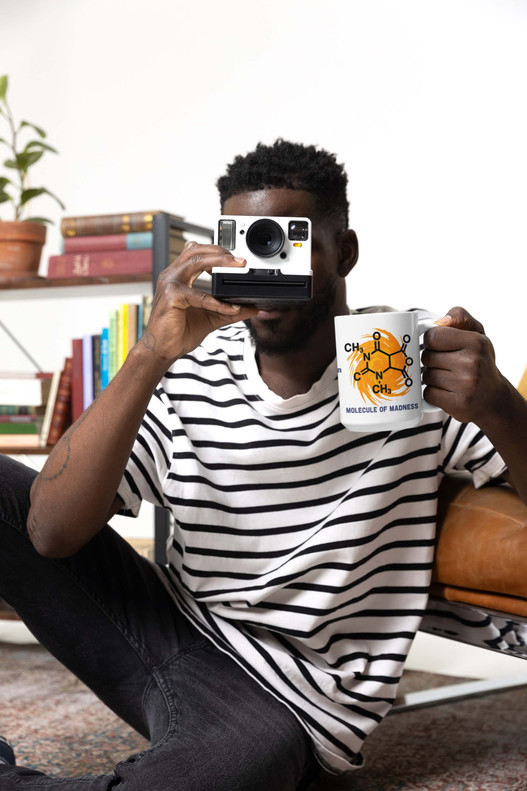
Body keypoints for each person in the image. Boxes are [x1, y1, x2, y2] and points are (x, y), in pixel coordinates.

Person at [0, 139, 526, 790]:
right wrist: (149, 356)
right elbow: (50, 533)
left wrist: (501, 406)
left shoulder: (398, 359)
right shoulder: (192, 371)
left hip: (291, 707)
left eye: (288, 239)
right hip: (168, 636)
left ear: (346, 252)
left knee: (226, 767)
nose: (266, 264)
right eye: (248, 243)